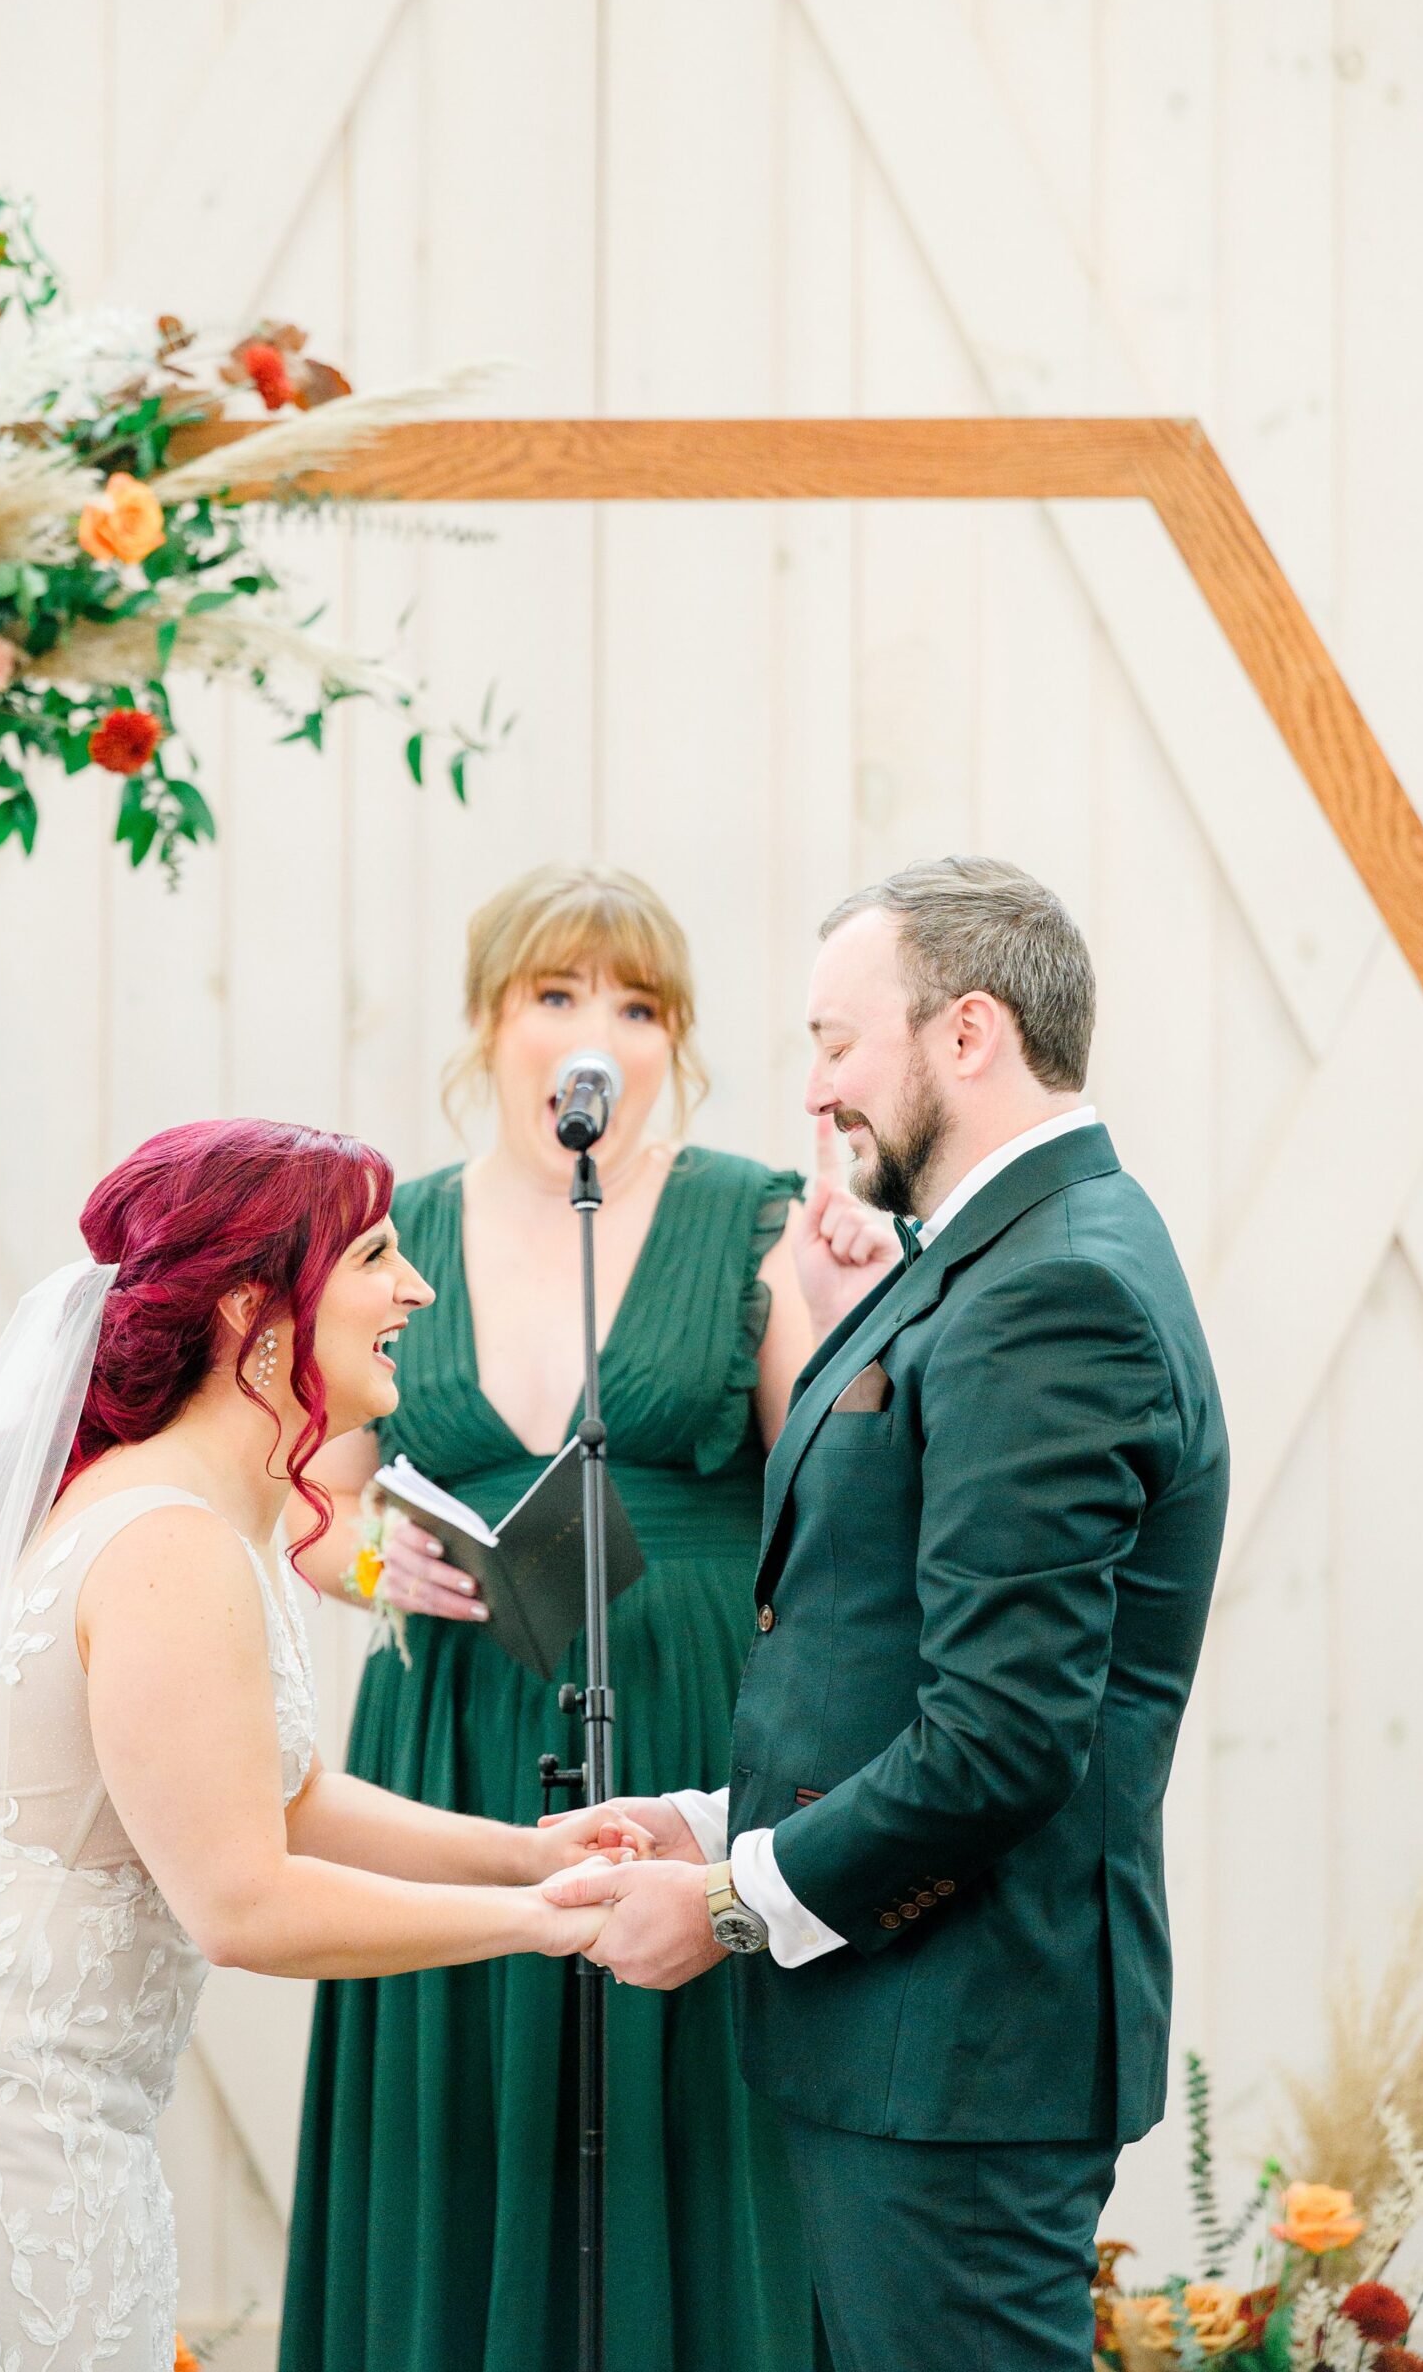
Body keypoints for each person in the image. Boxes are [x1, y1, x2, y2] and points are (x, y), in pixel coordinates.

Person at [0, 1117, 646, 2372]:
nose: (416, 1287)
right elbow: (243, 1902)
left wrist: (520, 1853)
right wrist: (549, 1922)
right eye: (376, 1254)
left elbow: (285, 1796)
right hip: (4, 2139)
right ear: (252, 1310)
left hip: (45, 2115)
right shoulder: (168, 1540)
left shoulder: (204, 1509)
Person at [548, 857, 1230, 2372]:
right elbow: (891, 1663)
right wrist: (708, 1820)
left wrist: (733, 1905)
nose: (811, 1091)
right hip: (902, 2042)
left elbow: (997, 1738)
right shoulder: (986, 1266)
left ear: (965, 1032)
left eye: (836, 1043)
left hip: (961, 2061)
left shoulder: (1056, 1292)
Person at [280, 864, 896, 2372]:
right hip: (457, 1729)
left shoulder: (752, 1215)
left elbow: (839, 1489)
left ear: (669, 1039)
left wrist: (855, 1317)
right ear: (488, 1025)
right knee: (467, 2106)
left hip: (687, 1714)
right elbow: (305, 1494)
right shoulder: (386, 1230)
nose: (591, 1036)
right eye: (553, 996)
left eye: (633, 1006)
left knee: (681, 2112)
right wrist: (369, 1563)